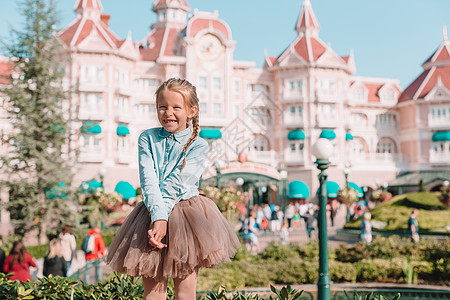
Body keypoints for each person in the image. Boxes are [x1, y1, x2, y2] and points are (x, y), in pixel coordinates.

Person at [106, 78, 240, 300]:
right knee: (153, 294)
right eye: (163, 107)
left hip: (187, 220)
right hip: (150, 214)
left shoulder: (198, 144)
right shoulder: (146, 138)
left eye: (176, 107)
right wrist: (158, 217)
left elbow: (178, 182)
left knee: (185, 292)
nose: (168, 112)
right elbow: (148, 180)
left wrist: (161, 219)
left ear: (191, 111)